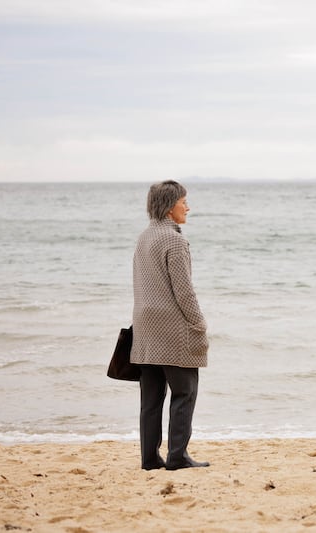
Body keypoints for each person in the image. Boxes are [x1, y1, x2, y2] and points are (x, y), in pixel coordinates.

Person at [131, 180, 210, 470]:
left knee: (151, 399)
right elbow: (184, 291)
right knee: (184, 393)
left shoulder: (144, 237)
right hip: (172, 329)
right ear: (168, 207)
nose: (188, 207)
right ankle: (178, 456)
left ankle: (150, 459)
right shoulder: (175, 241)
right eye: (183, 201)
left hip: (144, 328)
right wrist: (198, 324)